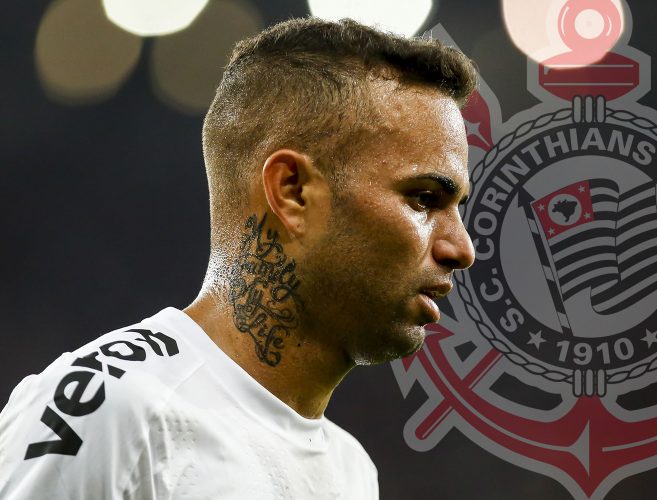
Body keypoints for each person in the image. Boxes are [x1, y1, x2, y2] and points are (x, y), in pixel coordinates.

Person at [0, 16, 477, 499]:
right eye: (423, 199)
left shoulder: (350, 470)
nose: (461, 249)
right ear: (291, 191)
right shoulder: (110, 410)